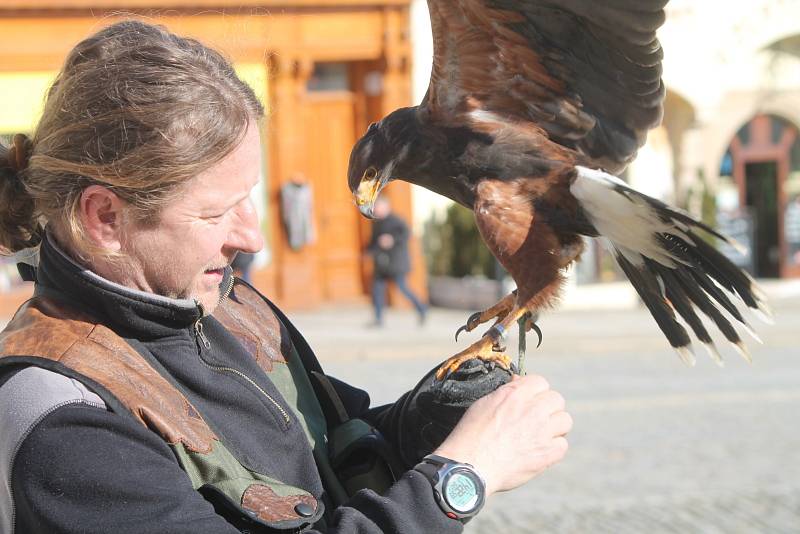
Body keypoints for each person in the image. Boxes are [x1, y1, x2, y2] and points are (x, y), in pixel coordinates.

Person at [0, 21, 572, 534]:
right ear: (106, 218)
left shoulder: (227, 304)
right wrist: (461, 476)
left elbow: (336, 455)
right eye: (215, 212)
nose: (251, 237)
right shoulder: (65, 421)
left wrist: (432, 418)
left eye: (249, 197)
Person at [366, 197, 427, 326]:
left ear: (386, 207)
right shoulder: (376, 223)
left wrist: (392, 239)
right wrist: (369, 251)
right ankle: (378, 319)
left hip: (396, 263)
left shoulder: (397, 220)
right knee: (377, 289)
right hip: (381, 264)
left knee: (403, 288)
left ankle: (421, 308)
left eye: (378, 207)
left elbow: (407, 235)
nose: (376, 210)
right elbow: (373, 242)